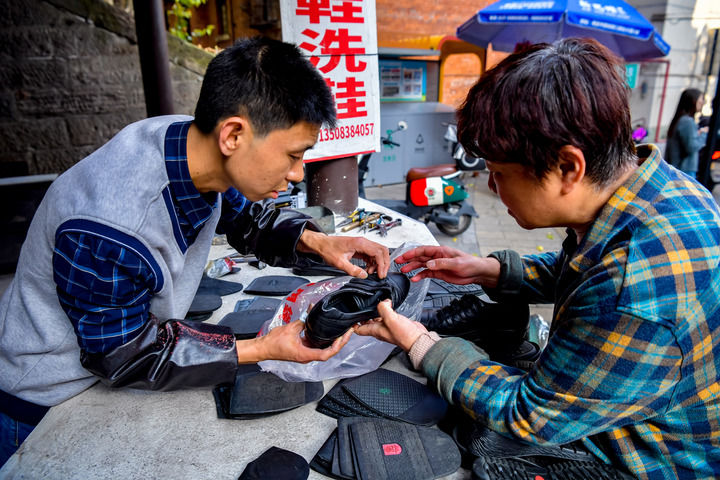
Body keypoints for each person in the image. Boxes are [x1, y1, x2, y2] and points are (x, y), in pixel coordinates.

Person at [0, 37, 390, 465]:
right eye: (293, 155)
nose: (298, 174)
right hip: (46, 397)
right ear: (233, 134)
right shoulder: (110, 227)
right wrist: (261, 349)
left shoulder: (193, 145)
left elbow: (247, 218)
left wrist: (318, 242)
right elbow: (124, 354)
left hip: (112, 364)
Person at [355, 38, 720, 479]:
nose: (492, 188)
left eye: (499, 173)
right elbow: (586, 270)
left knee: (472, 441)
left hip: (651, 459)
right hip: (635, 396)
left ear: (568, 167)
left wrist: (424, 345)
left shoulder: (632, 292)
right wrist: (491, 271)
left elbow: (529, 415)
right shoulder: (665, 188)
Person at [665, 88, 709, 178]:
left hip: (679, 169)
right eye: (701, 99)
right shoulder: (687, 121)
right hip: (685, 170)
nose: (702, 102)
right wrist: (704, 134)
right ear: (693, 101)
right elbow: (691, 147)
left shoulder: (681, 119)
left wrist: (697, 134)